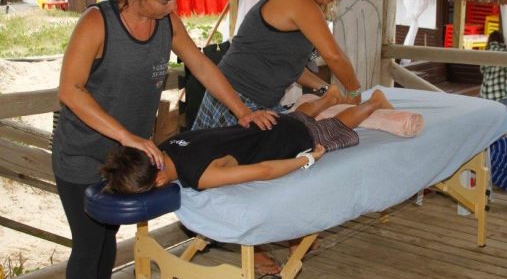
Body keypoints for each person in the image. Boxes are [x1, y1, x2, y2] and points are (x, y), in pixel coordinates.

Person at [51, 0, 275, 279]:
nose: (174, 9)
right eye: (165, 1)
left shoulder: (166, 22)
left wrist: (242, 112)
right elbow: (69, 90)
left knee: (107, 232)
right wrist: (128, 136)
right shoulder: (97, 22)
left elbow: (201, 66)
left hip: (124, 154)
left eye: (175, 0)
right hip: (81, 150)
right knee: (88, 242)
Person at [193, 0, 363, 131]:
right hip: (235, 99)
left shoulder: (300, 0)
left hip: (256, 102)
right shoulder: (298, 1)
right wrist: (354, 91)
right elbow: (334, 56)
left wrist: (325, 88)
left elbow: (288, 64)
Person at [101, 87, 393, 194]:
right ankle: (327, 98)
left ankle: (374, 102)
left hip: (291, 139)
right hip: (267, 123)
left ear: (160, 181)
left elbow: (264, 171)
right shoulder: (167, 146)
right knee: (298, 115)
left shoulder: (200, 175)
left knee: (336, 126)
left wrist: (307, 159)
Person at [479, 31, 507, 105]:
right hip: (501, 95)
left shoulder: (485, 53)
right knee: (503, 116)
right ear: (502, 40)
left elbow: (482, 70)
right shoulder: (506, 53)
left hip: (485, 94)